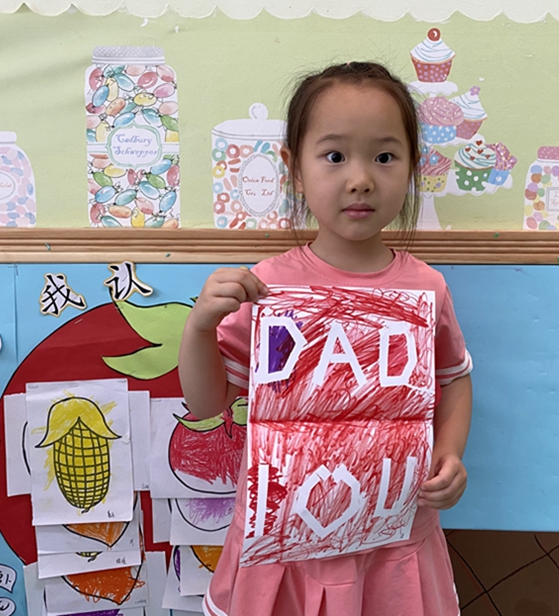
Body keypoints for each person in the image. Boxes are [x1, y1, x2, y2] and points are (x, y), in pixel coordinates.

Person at [179, 61, 473, 616]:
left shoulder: (426, 288)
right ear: (294, 169)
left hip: (393, 545)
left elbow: (454, 380)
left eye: (384, 157)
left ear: (413, 168)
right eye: (334, 156)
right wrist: (199, 328)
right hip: (284, 545)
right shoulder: (268, 289)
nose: (360, 179)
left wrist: (450, 453)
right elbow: (207, 403)